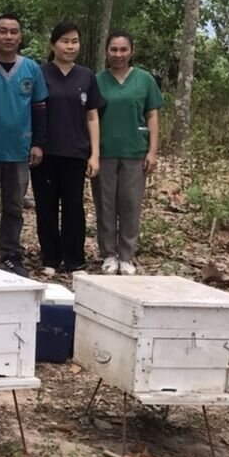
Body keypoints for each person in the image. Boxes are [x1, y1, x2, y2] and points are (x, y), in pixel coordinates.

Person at [0, 13, 48, 276]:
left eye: (13, 32)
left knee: (14, 205)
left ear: (20, 36)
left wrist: (38, 143)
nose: (8, 36)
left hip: (19, 149)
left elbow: (39, 108)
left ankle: (11, 253)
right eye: (2, 31)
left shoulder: (31, 69)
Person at [33, 21, 102, 276]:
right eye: (64, 41)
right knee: (46, 206)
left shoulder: (86, 76)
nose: (70, 46)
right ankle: (50, 258)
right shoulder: (39, 73)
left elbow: (92, 116)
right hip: (45, 153)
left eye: (74, 41)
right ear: (53, 45)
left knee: (74, 207)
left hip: (76, 152)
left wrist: (95, 154)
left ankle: (75, 260)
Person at [94, 31, 162, 275]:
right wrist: (92, 153)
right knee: (105, 204)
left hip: (135, 151)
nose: (118, 54)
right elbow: (91, 117)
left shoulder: (144, 80)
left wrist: (152, 151)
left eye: (123, 49)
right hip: (105, 151)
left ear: (132, 51)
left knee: (130, 204)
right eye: (113, 49)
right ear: (106, 52)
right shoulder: (98, 80)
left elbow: (152, 115)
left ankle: (126, 256)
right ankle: (108, 254)